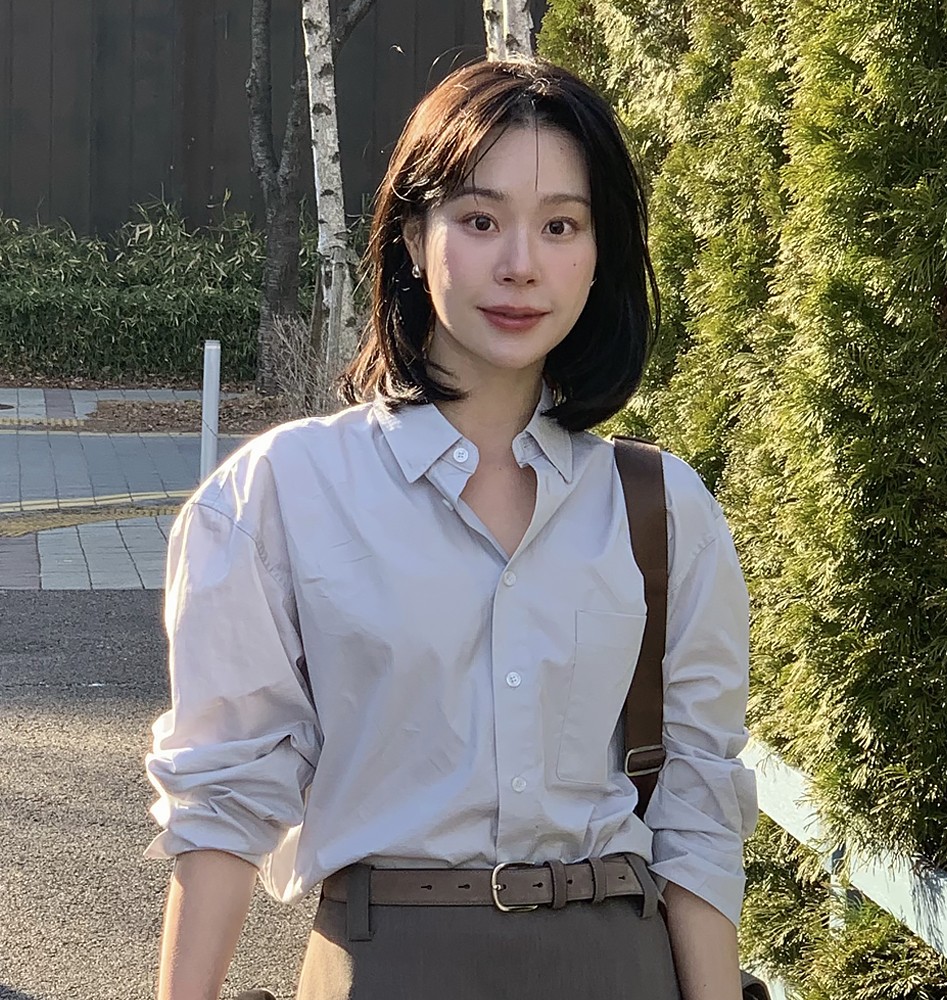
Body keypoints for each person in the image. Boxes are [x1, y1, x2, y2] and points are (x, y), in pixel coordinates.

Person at [145, 58, 757, 1000]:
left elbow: (698, 810)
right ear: (411, 236)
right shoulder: (281, 495)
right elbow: (224, 802)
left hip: (616, 964)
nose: (520, 263)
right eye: (479, 220)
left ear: (601, 251)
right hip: (383, 965)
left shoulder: (662, 509)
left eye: (561, 225)